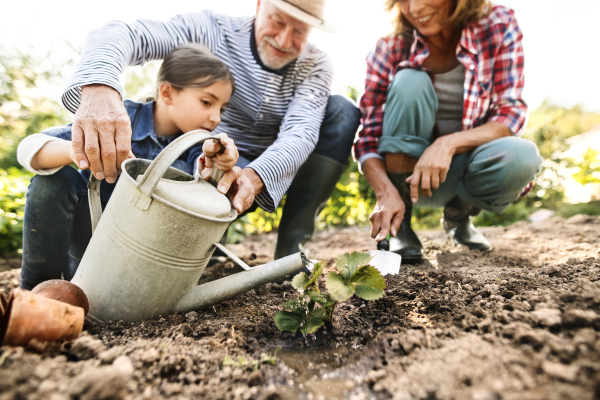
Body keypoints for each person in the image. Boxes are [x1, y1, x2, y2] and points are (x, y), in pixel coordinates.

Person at [60, 0, 362, 259]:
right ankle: (207, 234)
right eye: (277, 21)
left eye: (300, 31)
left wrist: (253, 178)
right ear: (259, 5)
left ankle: (291, 249)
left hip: (270, 169)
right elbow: (123, 33)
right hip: (205, 158)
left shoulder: (316, 64)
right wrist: (100, 88)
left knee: (342, 110)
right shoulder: (211, 30)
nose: (284, 40)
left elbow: (301, 132)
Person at [17, 44, 250, 290]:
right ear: (168, 93)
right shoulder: (118, 118)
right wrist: (77, 150)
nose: (216, 118)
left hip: (139, 271)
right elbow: (29, 147)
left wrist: (218, 161)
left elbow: (203, 172)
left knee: (187, 178)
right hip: (86, 252)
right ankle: (35, 292)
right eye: (207, 102)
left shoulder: (195, 147)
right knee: (53, 180)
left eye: (222, 109)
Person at [354, 0, 543, 263]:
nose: (415, 8)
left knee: (523, 156)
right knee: (410, 81)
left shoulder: (498, 24)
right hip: (407, 177)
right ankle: (401, 224)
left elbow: (510, 112)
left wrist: (448, 144)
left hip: (463, 173)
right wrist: (385, 193)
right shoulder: (391, 45)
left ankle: (458, 216)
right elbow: (368, 137)